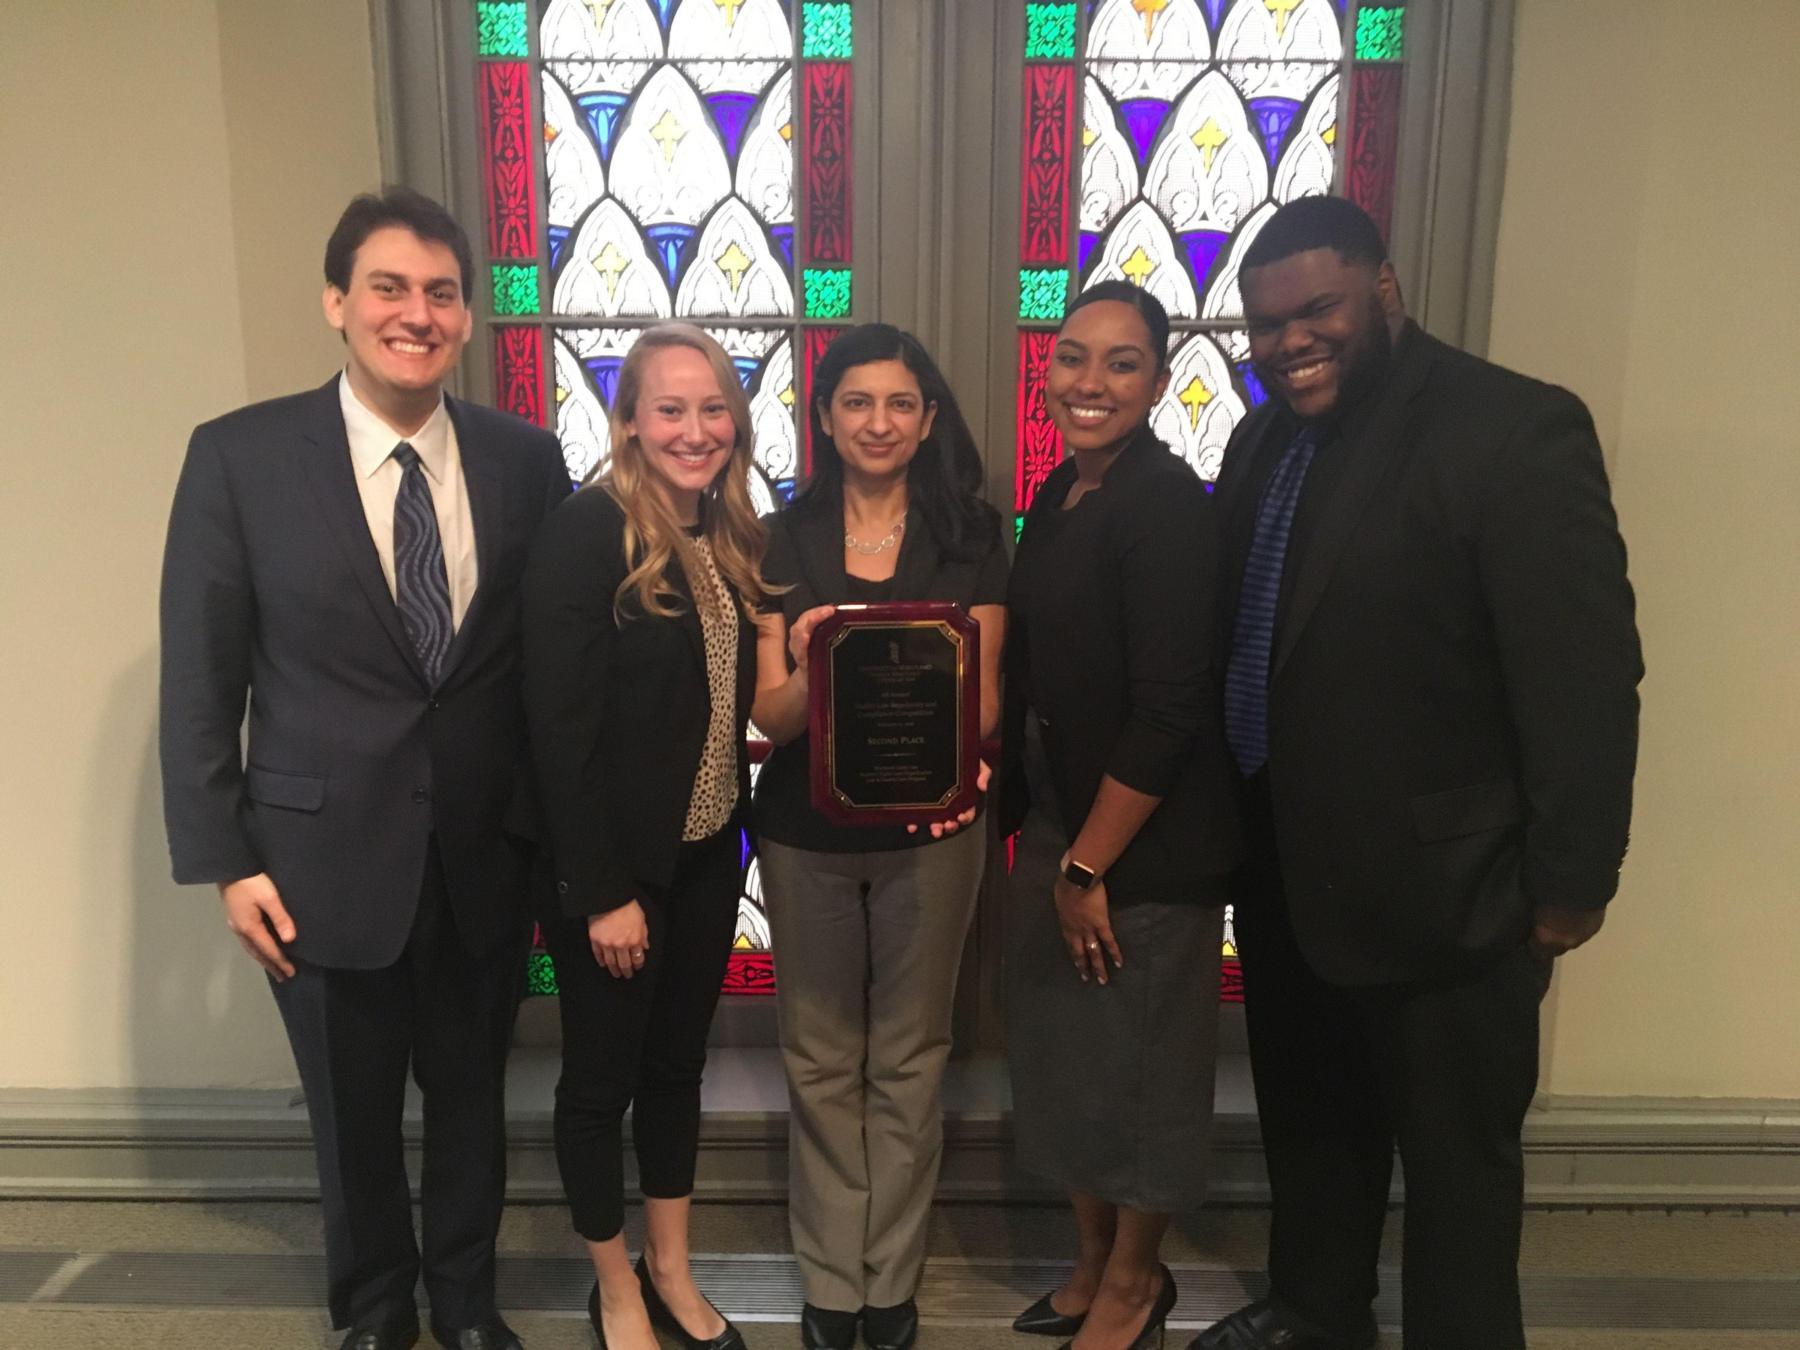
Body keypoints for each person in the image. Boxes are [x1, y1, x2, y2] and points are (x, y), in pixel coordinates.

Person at [1193, 196, 1642, 1350]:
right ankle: (1317, 1317)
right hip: (1292, 877)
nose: (1291, 340)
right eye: (1266, 323)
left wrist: (1569, 884)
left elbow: (1583, 674)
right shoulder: (1261, 441)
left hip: (1454, 896)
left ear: (1383, 288)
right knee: (1314, 1135)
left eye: (1318, 311)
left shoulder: (1511, 429)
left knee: (1457, 1177)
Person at [158, 189, 567, 1350]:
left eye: (441, 293)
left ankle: (469, 1307)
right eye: (389, 287)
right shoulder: (238, 458)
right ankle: (377, 1314)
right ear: (337, 302)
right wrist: (227, 862)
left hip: (484, 856)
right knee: (352, 1119)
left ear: (467, 319)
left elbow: (542, 670)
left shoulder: (526, 461)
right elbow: (202, 676)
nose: (416, 313)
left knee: (473, 1109)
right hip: (315, 862)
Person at [751, 324, 1008, 1350]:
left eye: (900, 404)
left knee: (910, 1054)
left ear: (928, 418)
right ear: (823, 417)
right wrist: (822, 660)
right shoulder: (779, 535)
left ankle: (889, 1279)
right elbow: (770, 716)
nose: (879, 422)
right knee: (819, 1056)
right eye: (857, 402)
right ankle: (830, 1278)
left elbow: (982, 708)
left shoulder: (976, 535)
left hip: (933, 830)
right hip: (804, 834)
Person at [998, 281, 1243, 1350]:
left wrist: (1090, 867)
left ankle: (1139, 1283)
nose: (1090, 382)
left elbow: (1172, 707)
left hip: (1139, 848)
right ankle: (1093, 1259)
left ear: (1159, 378)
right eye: (1072, 357)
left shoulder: (1167, 509)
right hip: (1061, 826)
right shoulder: (1063, 494)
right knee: (1071, 1063)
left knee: (1142, 1073)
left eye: (1122, 362)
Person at [522, 324, 772, 1350]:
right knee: (598, 1082)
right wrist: (600, 891)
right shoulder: (589, 533)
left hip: (709, 854)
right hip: (618, 874)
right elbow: (557, 727)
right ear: (628, 422)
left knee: (675, 1072)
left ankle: (669, 1266)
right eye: (670, 409)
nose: (694, 429)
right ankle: (613, 1284)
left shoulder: (732, 539)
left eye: (713, 408)